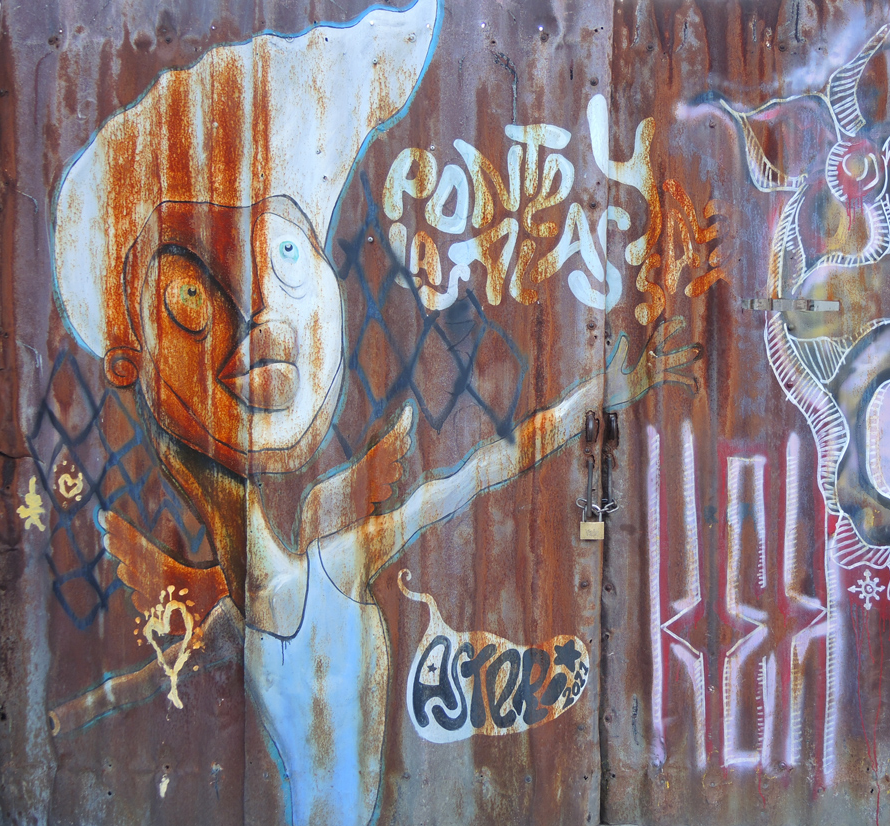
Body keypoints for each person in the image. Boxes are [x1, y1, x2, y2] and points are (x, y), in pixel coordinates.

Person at [49, 4, 699, 823]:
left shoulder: (279, 594)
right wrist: (604, 394)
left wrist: (75, 714)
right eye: (189, 294)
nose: (251, 317)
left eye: (285, 252)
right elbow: (482, 470)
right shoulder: (317, 576)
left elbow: (483, 470)